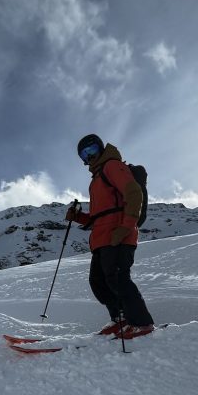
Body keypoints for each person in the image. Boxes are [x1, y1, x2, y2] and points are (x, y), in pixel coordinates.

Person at [66, 133, 155, 340]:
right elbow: (99, 217)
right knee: (98, 282)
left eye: (92, 150)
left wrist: (125, 227)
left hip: (118, 235)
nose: (89, 156)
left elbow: (133, 193)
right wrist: (78, 217)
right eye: (84, 154)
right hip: (101, 239)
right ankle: (121, 318)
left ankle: (142, 323)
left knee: (118, 280)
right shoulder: (96, 179)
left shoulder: (112, 166)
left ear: (101, 148)